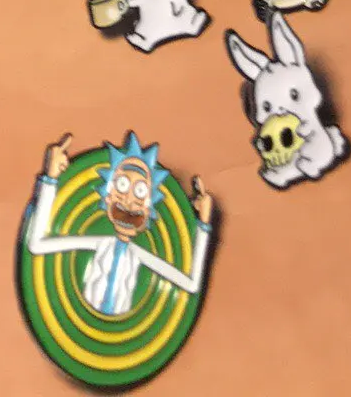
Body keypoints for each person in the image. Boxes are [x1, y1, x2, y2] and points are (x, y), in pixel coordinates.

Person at [25, 132, 212, 316]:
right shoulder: (100, 244)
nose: (129, 201)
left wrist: (203, 224)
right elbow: (36, 245)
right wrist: (50, 178)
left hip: (123, 331)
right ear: (108, 197)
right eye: (122, 186)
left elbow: (191, 285)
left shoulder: (138, 255)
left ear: (148, 208)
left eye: (140, 191)